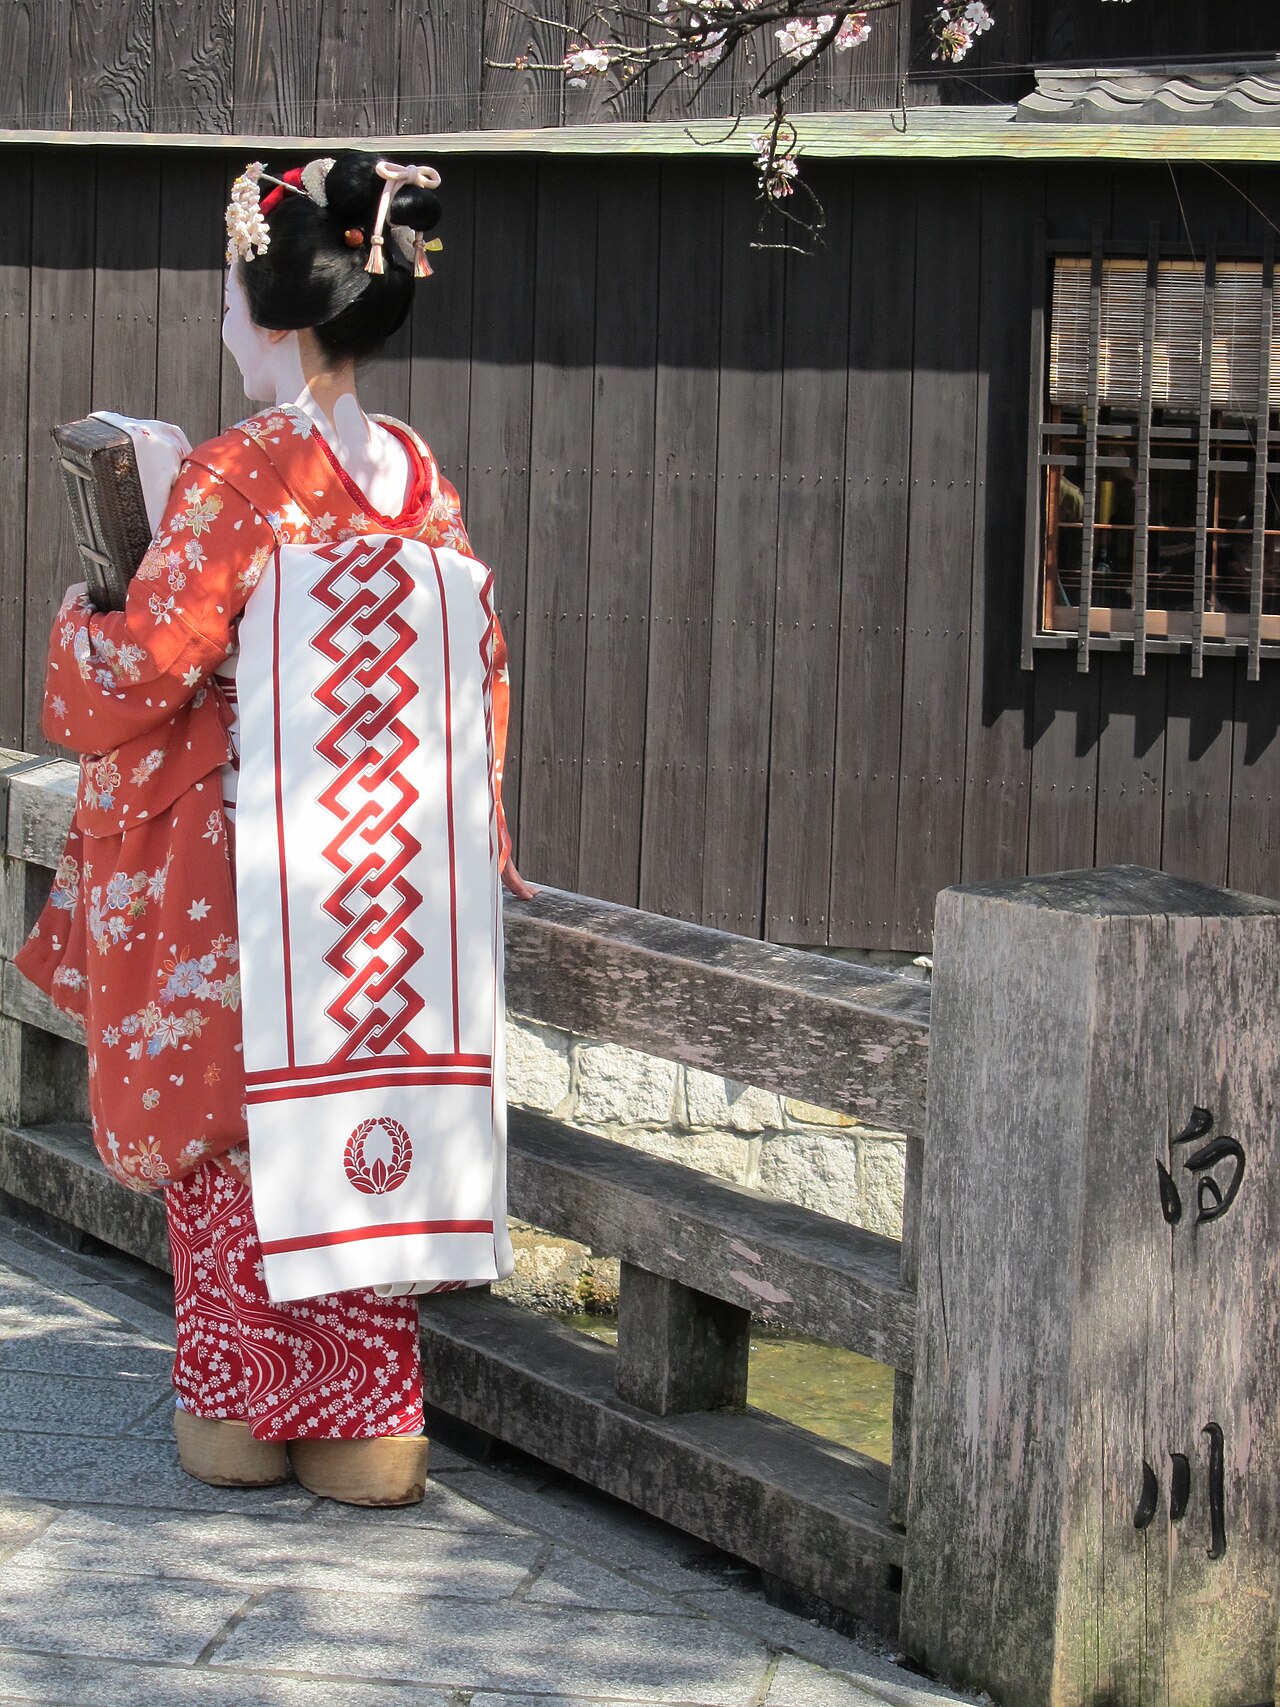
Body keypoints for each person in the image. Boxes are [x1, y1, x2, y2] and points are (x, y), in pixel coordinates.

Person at [16, 153, 529, 1507]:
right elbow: (469, 669)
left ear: (280, 309)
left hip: (248, 877)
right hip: (375, 893)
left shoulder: (243, 473)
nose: (225, 325)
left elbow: (138, 675)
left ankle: (246, 1412)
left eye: (233, 301)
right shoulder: (414, 473)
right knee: (359, 1123)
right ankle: (366, 1430)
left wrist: (89, 609)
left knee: (234, 1136)